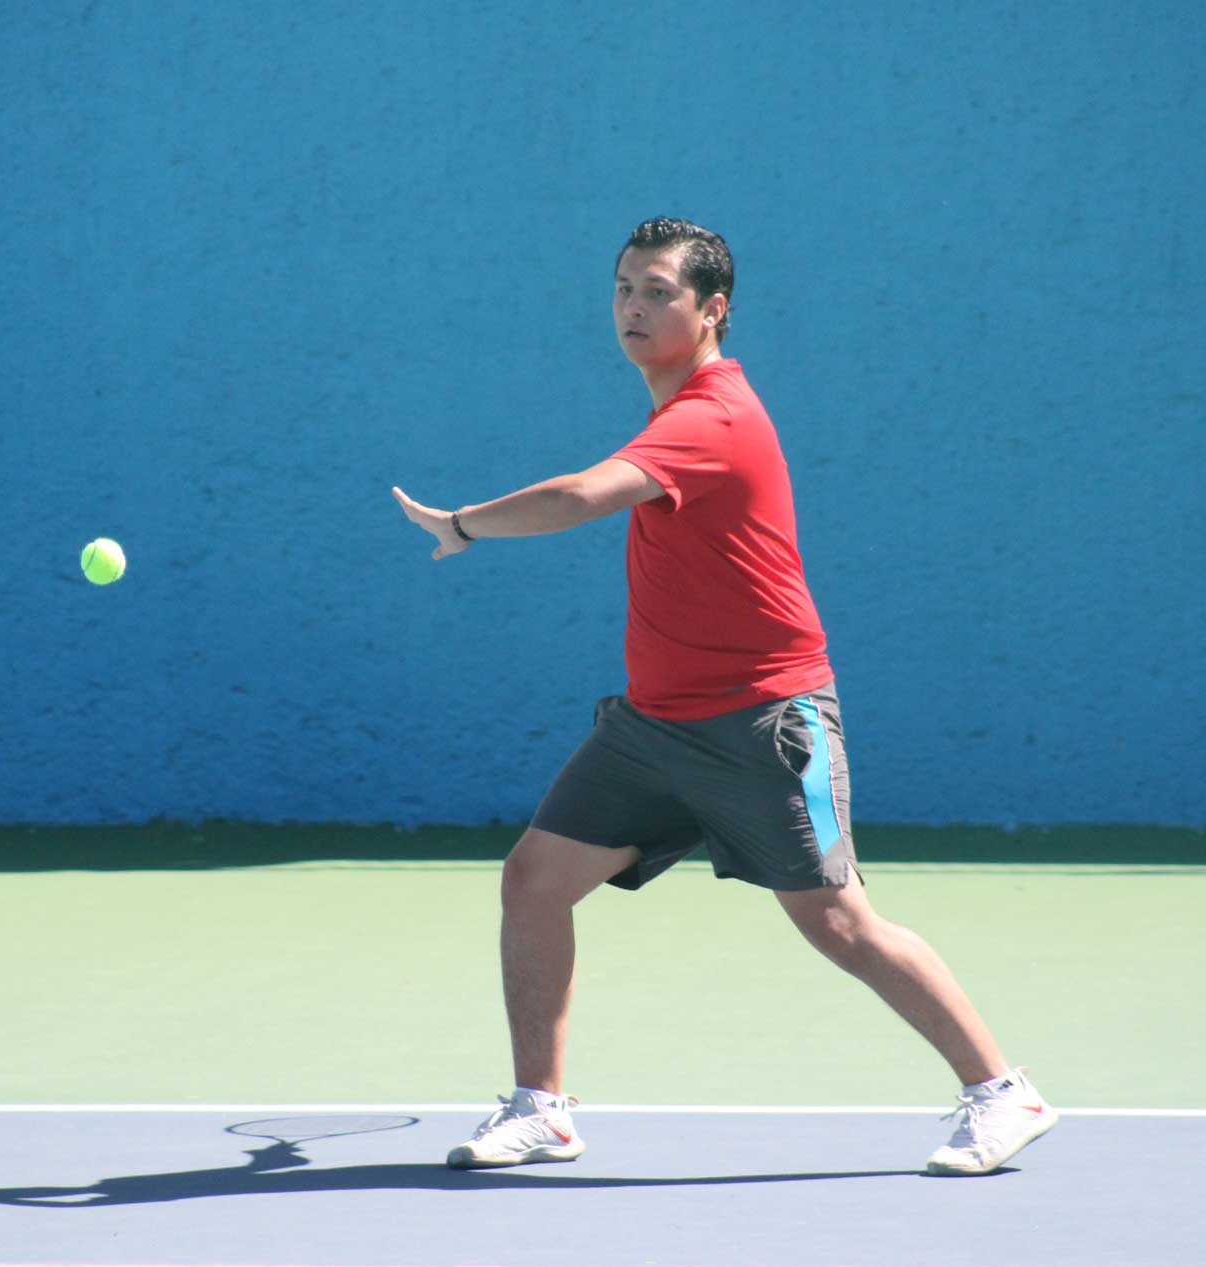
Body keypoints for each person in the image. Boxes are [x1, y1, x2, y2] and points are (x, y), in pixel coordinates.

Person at [391, 216, 1056, 1177]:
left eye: (658, 290)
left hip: (765, 723)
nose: (632, 306)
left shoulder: (714, 415)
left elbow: (581, 496)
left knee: (839, 922)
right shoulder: (675, 412)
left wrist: (462, 525)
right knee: (533, 878)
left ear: (713, 312)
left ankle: (1003, 1091)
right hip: (653, 725)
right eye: (623, 286)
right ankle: (542, 1108)